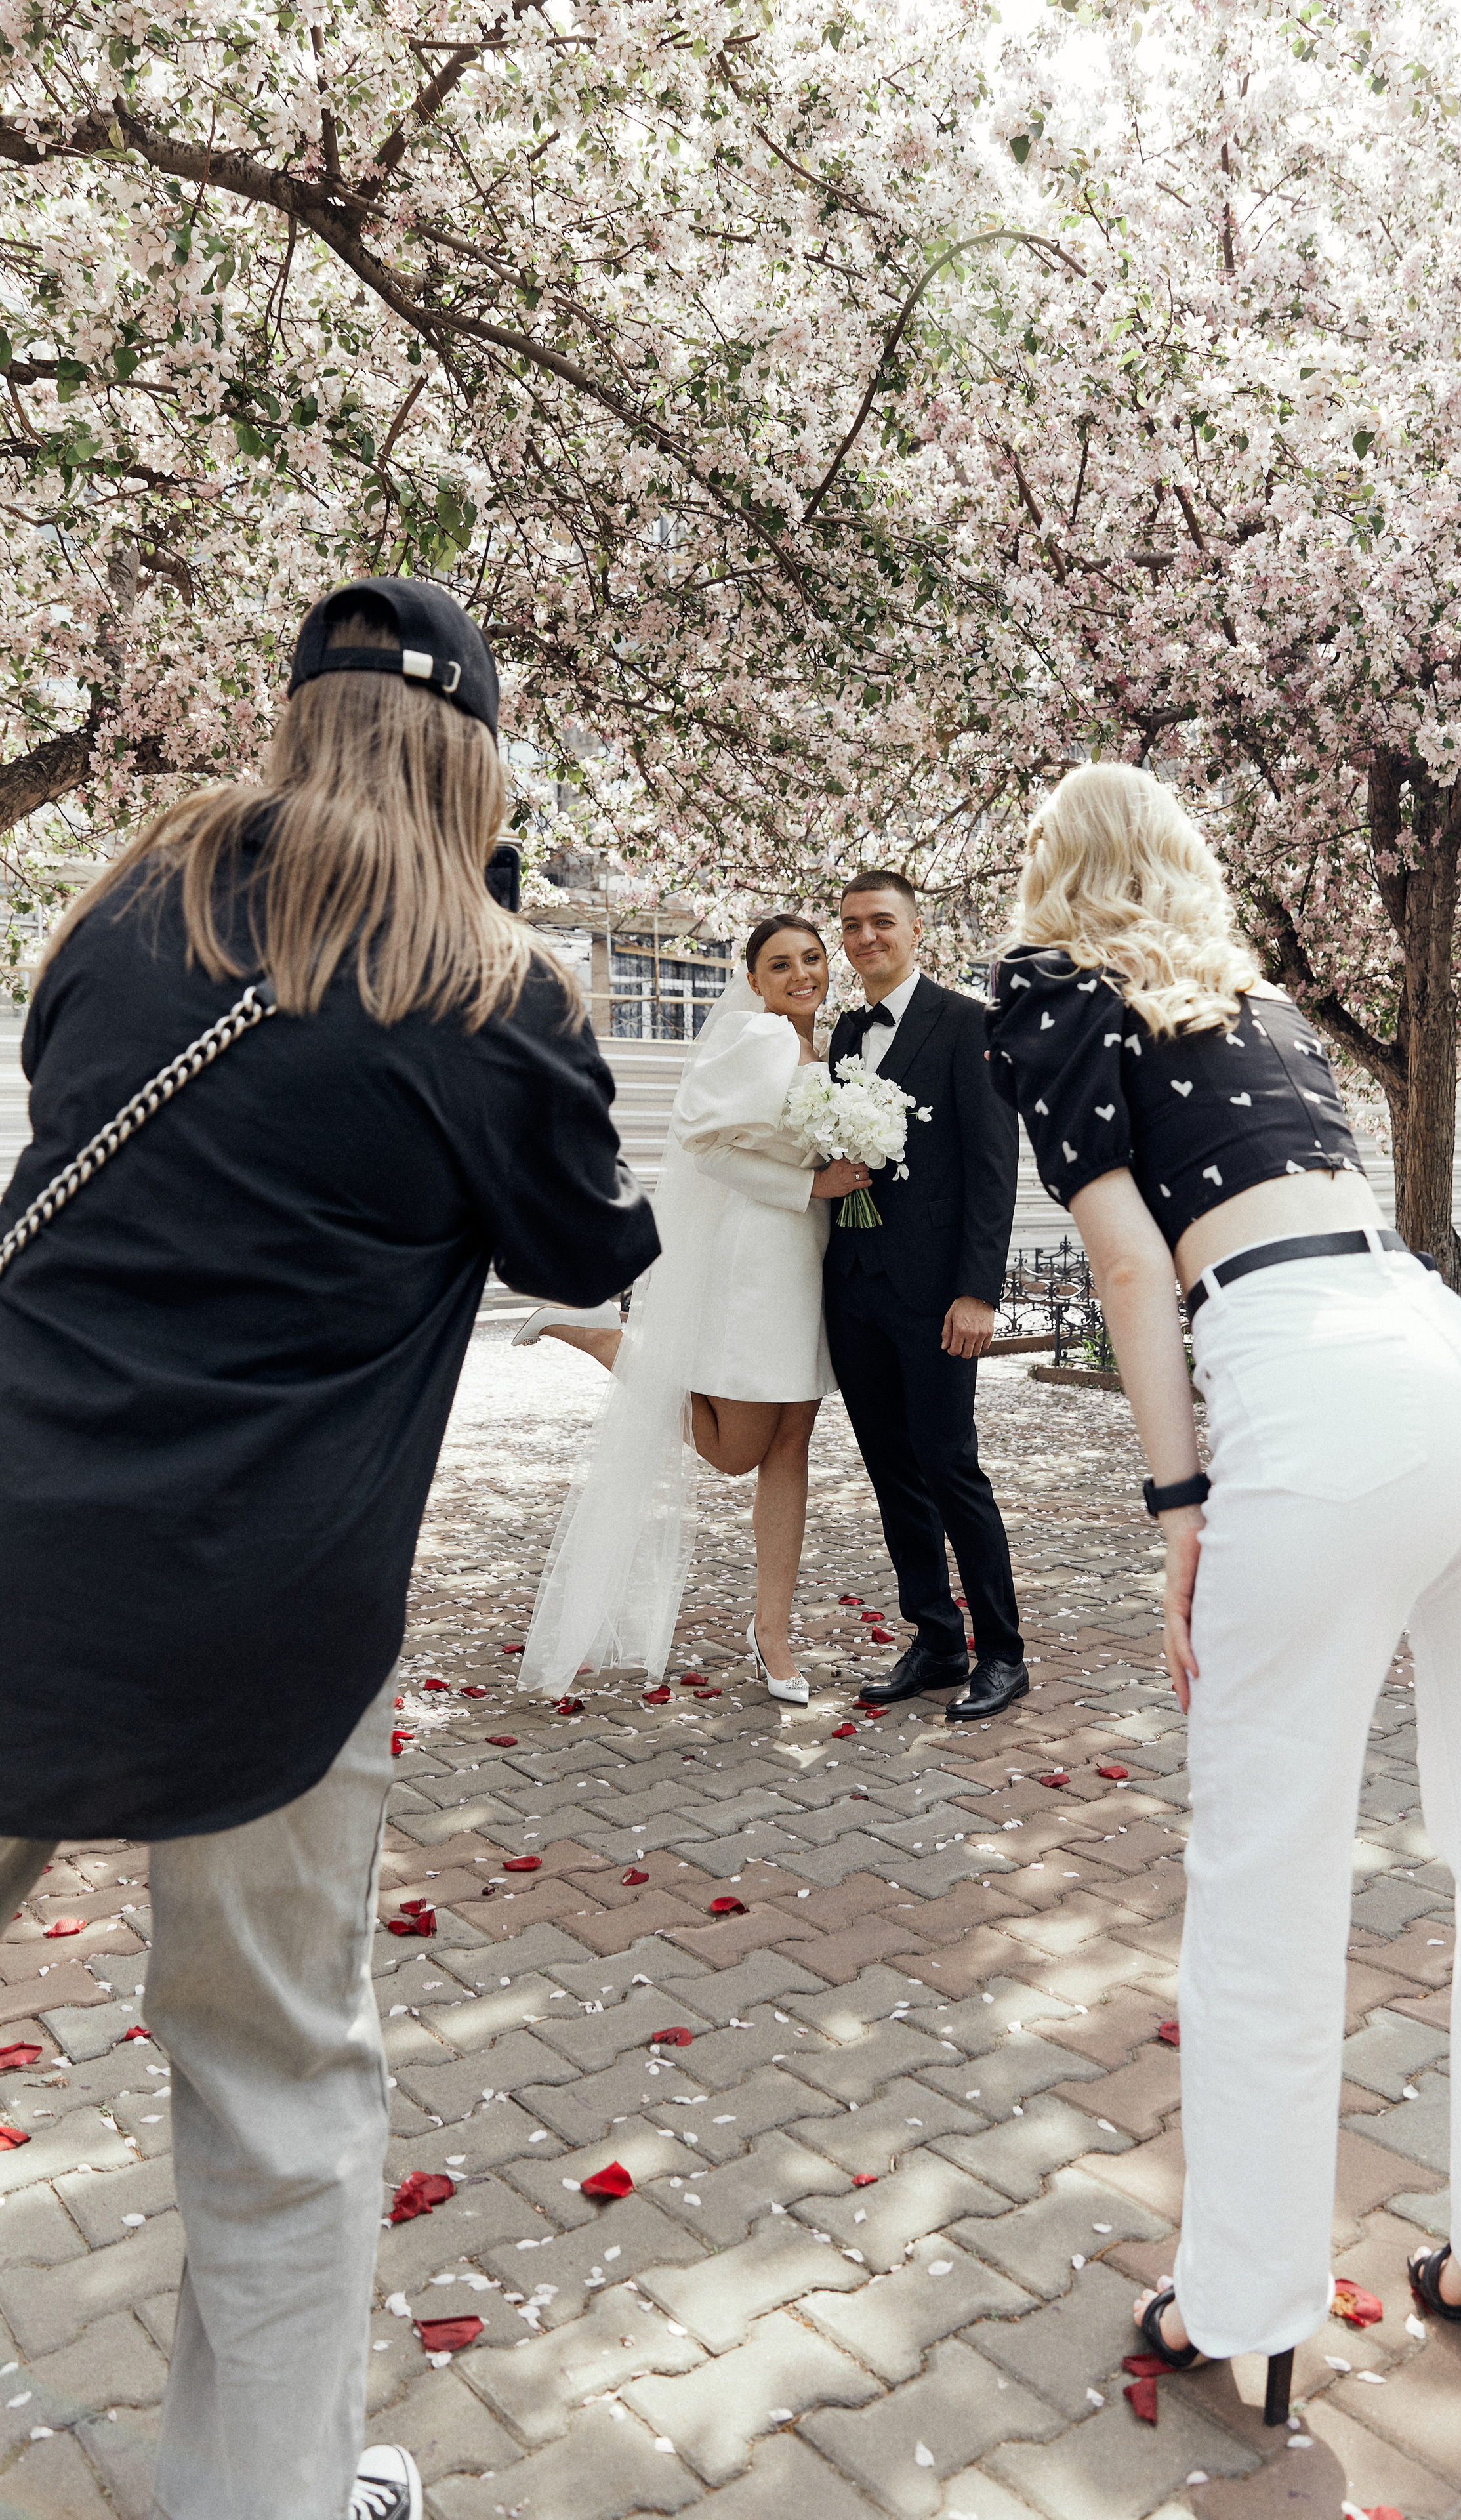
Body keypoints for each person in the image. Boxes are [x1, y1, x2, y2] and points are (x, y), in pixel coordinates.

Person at [0, 578, 659, 2520]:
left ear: (294, 726)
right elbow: (585, 1246)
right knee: (276, 2077)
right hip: (259, 1611)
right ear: (476, 759)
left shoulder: (135, 899)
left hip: (12, 1528)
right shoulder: (496, 988)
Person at [987, 760, 1461, 2408]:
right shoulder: (1251, 1004)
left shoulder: (1050, 996)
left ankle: (1245, 2301)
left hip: (1315, 1381)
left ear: (1053, 875)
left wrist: (1176, 1497)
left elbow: (1129, 1263)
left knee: (1264, 1877)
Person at [522, 916, 869, 1707]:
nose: (801, 974)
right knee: (736, 1450)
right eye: (779, 965)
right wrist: (806, 1185)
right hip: (756, 1256)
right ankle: (610, 1344)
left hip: (813, 1259)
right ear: (752, 977)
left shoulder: (831, 1048)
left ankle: (770, 1631)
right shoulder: (760, 1040)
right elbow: (700, 1141)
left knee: (792, 1443)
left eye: (811, 959)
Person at [825, 870, 1028, 1722]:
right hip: (856, 1290)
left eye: (881, 923)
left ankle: (1003, 1653)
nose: (865, 938)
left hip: (939, 1295)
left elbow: (993, 1167)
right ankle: (936, 1636)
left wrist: (978, 1292)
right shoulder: (842, 1032)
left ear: (916, 933)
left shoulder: (968, 1023)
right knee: (891, 1472)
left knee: (949, 1465)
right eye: (852, 926)